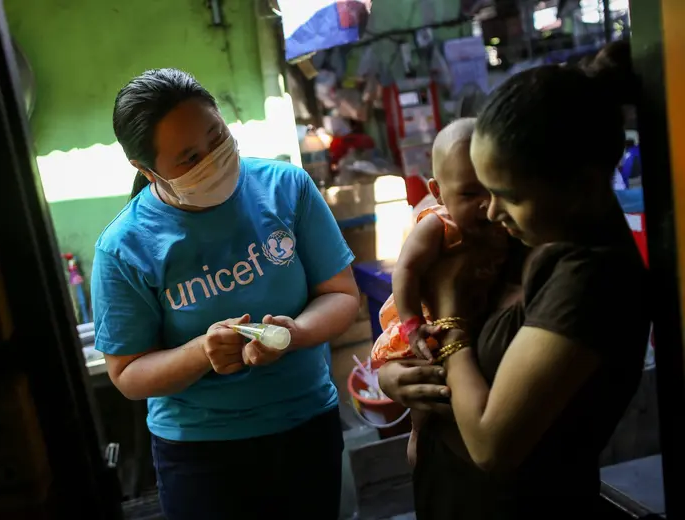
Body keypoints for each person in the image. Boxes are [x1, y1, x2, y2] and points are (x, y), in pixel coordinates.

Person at [378, 61, 649, 519]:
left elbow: (490, 444)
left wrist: (449, 318)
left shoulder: (589, 278)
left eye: (507, 194)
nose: (491, 211)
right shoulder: (528, 236)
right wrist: (396, 378)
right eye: (478, 191)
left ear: (579, 186)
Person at [92, 68, 360, 520]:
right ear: (146, 170)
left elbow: (341, 295)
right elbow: (127, 373)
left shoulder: (285, 188)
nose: (213, 157)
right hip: (202, 455)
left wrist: (296, 332)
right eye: (190, 156)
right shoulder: (125, 247)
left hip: (305, 426)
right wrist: (201, 352)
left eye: (217, 136)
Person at [370, 118, 507, 466]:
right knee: (427, 398)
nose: (485, 204)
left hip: (467, 326)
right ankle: (419, 443)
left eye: (493, 187)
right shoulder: (437, 226)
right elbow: (406, 271)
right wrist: (412, 324)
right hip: (427, 325)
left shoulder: (500, 225)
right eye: (469, 192)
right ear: (437, 191)